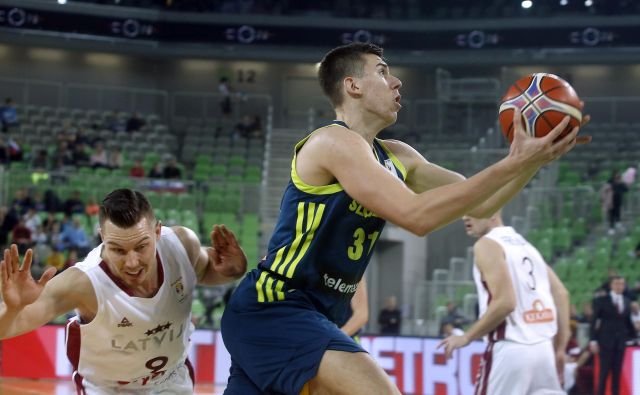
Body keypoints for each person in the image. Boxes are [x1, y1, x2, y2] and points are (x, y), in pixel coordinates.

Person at [220, 42, 588, 395]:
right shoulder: (332, 142)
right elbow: (417, 217)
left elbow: (481, 205)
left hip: (308, 315)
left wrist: (531, 163)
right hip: (276, 308)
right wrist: (514, 162)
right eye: (382, 72)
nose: (396, 82)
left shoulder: (398, 156)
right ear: (353, 86)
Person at [0, 188, 247, 394]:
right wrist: (13, 309)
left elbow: (206, 271)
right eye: (118, 250)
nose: (132, 262)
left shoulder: (182, 245)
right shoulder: (83, 283)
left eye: (141, 247)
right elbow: (8, 327)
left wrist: (235, 270)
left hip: (172, 382)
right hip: (109, 389)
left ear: (158, 231)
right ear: (102, 238)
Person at [439, 211, 571, 394]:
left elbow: (506, 302)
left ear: (494, 211)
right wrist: (560, 348)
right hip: (543, 350)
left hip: (511, 349)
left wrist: (466, 337)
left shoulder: (487, 244)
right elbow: (561, 294)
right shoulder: (525, 245)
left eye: (473, 209)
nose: (465, 217)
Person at [590, 276, 635, 395]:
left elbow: (628, 322)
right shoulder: (601, 300)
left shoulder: (626, 301)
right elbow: (594, 321)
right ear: (611, 285)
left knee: (617, 373)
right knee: (604, 373)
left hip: (620, 342)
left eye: (622, 284)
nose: (619, 286)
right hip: (605, 341)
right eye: (617, 284)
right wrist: (593, 340)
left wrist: (634, 336)